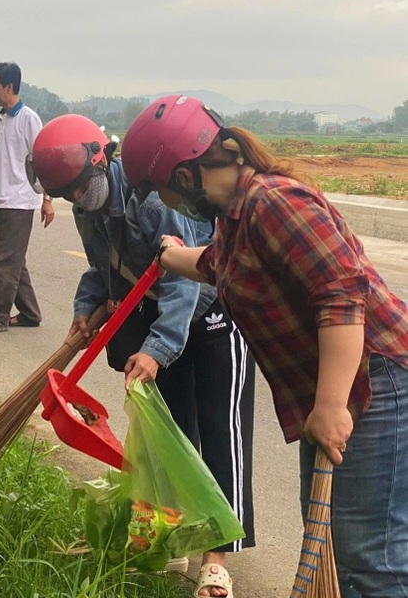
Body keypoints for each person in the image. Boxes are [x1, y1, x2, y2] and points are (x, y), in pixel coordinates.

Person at [121, 94, 408, 598]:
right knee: (332, 545)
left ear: (185, 175)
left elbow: (342, 295)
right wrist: (168, 256)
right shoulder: (235, 218)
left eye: (164, 193)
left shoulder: (272, 201)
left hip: (372, 383)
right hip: (341, 389)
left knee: (368, 560)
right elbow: (215, 264)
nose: (170, 206)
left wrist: (330, 405)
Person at [31, 114, 255, 598]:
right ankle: (174, 534)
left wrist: (156, 350)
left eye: (80, 187)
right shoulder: (88, 209)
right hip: (164, 321)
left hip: (213, 313)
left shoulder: (151, 202)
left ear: (102, 160)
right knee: (171, 438)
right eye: (67, 194)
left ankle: (216, 561)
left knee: (221, 434)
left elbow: (183, 281)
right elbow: (101, 267)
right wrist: (85, 309)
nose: (77, 198)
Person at [0, 62, 54, 333]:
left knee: (5, 262)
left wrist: (46, 199)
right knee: (14, 261)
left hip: (20, 200)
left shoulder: (28, 119)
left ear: (9, 87)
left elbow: (42, 161)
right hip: (2, 199)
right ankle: (30, 312)